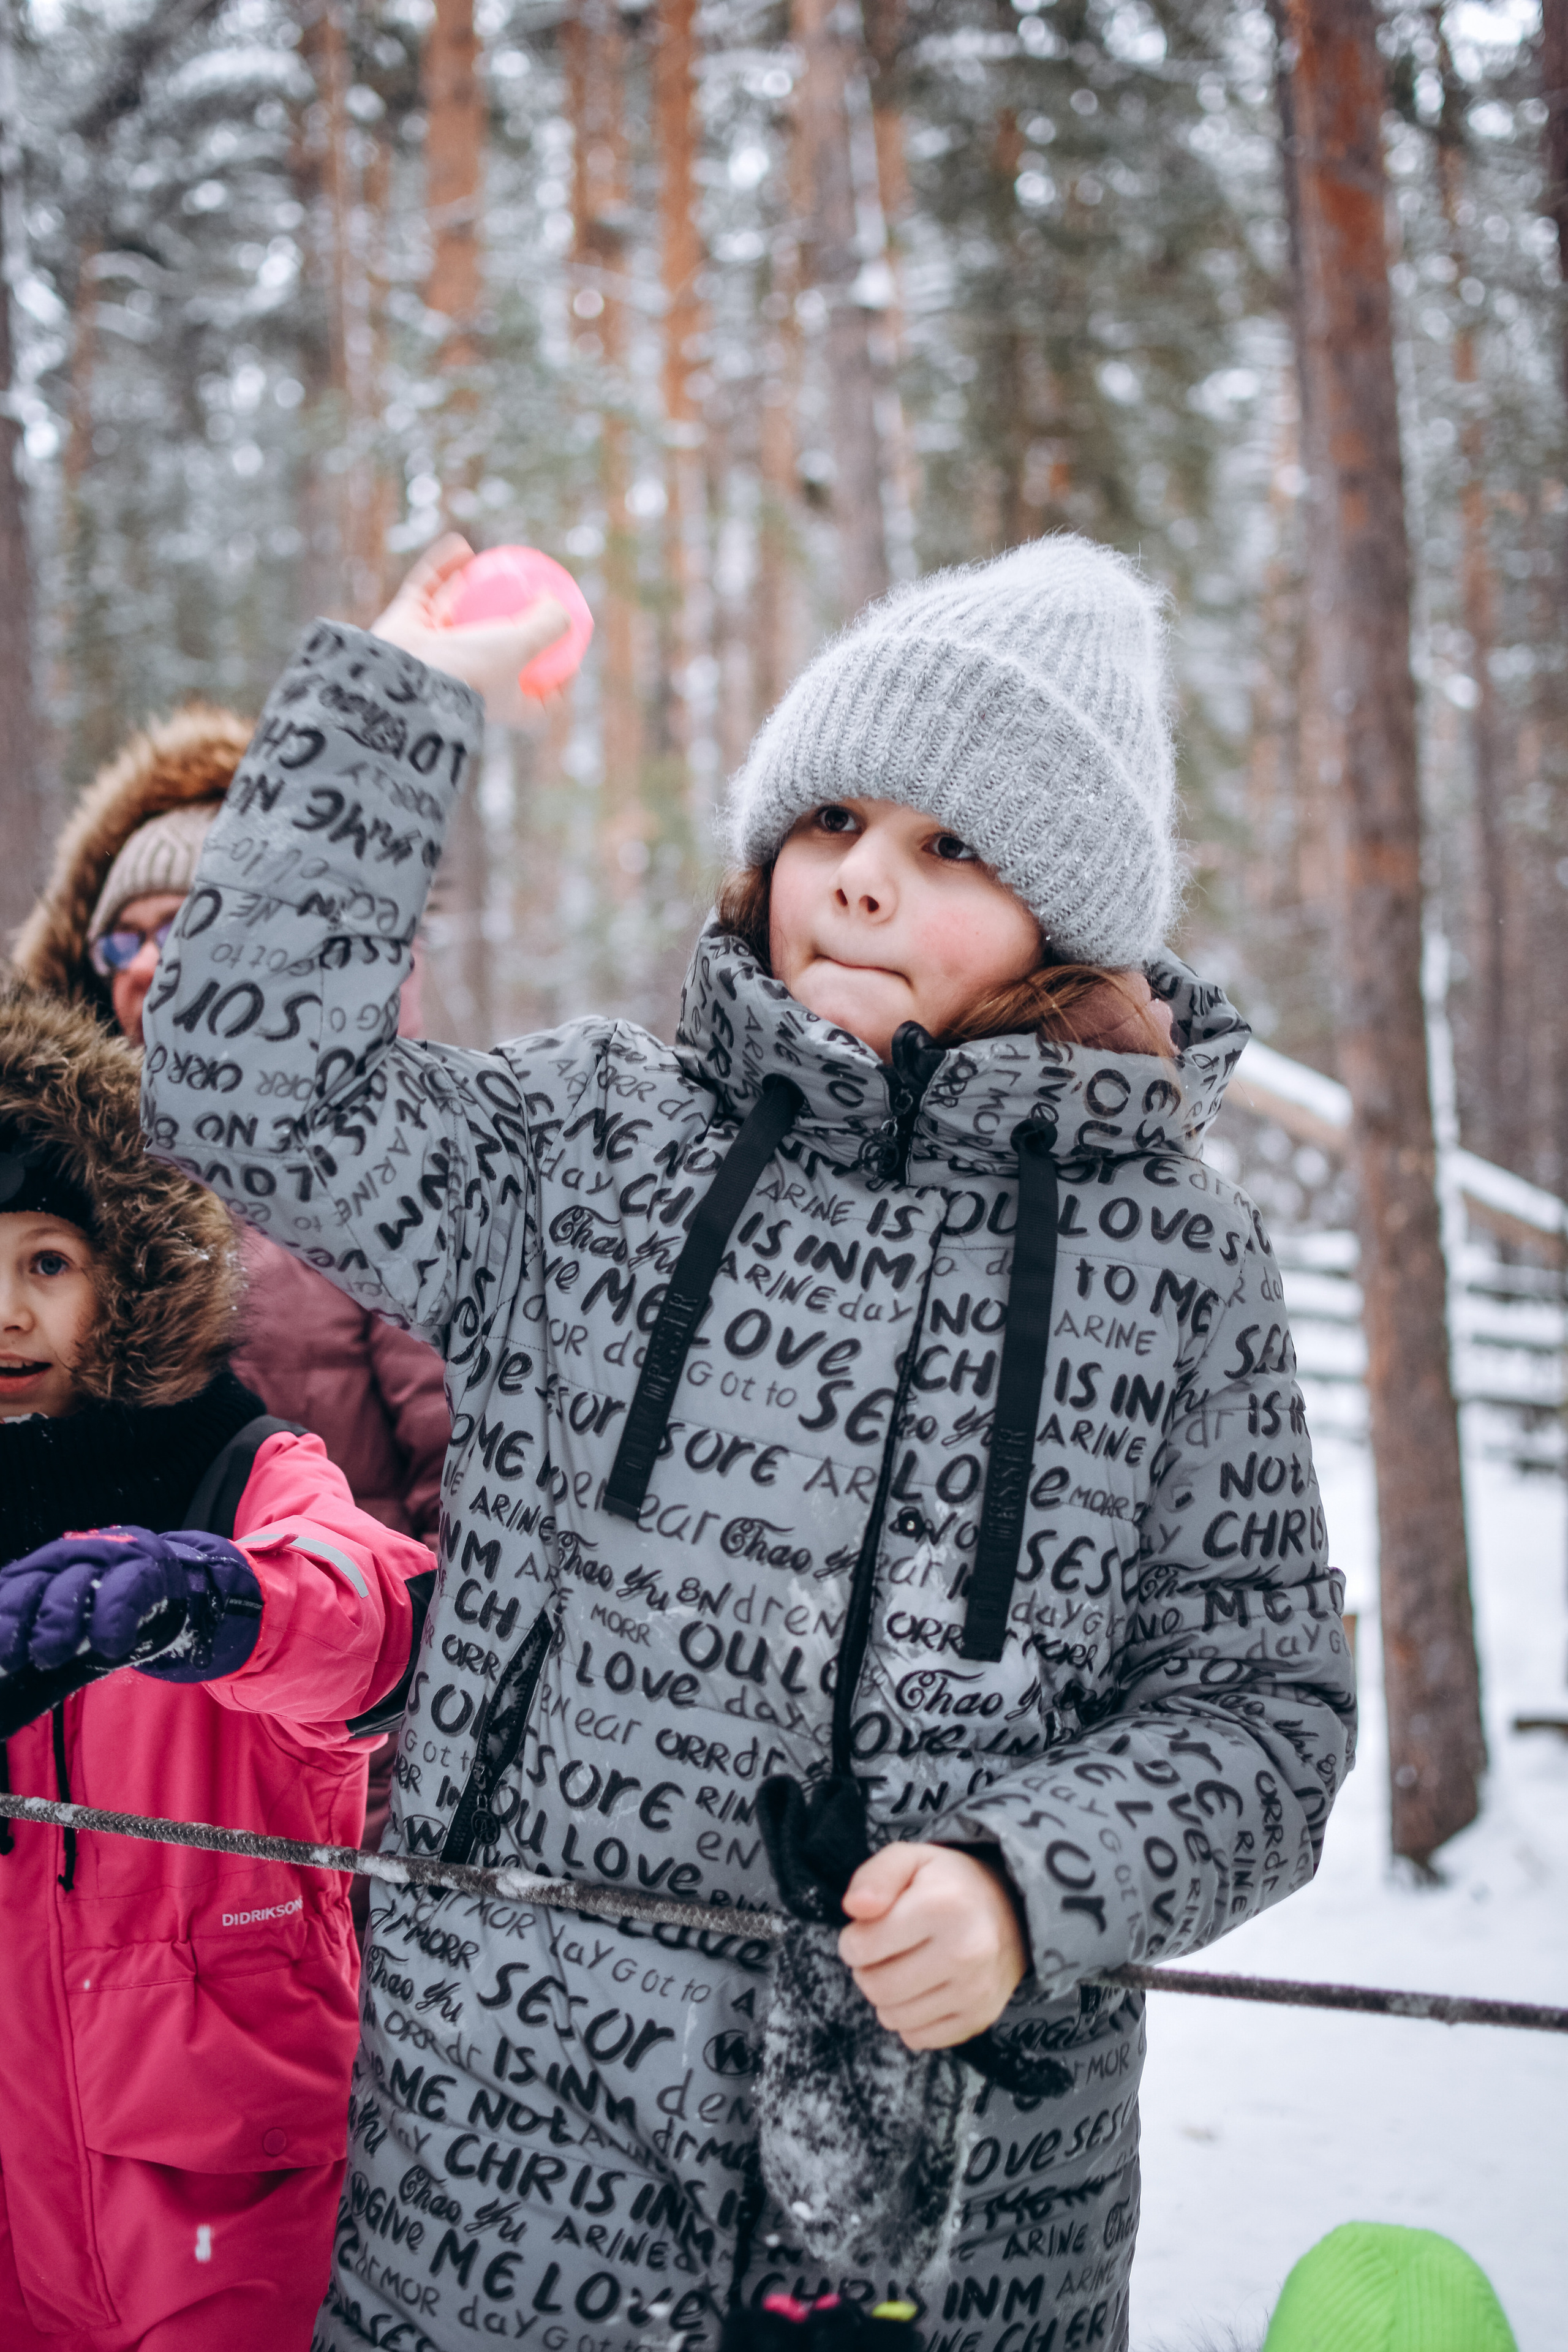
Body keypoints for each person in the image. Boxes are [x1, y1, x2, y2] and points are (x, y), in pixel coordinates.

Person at [141, 533, 1357, 2352]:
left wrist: (1031, 1884)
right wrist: (394, 709)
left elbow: (1268, 1712)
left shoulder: (1174, 1253)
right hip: (510, 2152)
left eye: (955, 846)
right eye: (833, 824)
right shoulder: (585, 1145)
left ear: (1071, 911)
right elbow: (244, 1082)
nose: (865, 882)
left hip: (969, 2205)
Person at [0, 975, 435, 2350]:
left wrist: (220, 1603)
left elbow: (373, 1615)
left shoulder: (233, 1467)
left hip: (214, 2144)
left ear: (123, 1269)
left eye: (47, 1263)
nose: (7, 1311)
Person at [12, 710, 451, 1918]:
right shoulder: (51, 1209)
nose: (150, 963)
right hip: (81, 1823)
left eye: (190, 926)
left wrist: (400, 1813)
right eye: (125, 939)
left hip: (324, 1808)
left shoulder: (384, 1184)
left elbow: (475, 1509)